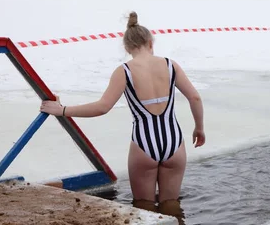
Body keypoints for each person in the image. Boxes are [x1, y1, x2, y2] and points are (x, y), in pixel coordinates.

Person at [40, 11, 205, 214]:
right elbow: (195, 98)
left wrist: (63, 110)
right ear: (151, 42)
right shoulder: (171, 65)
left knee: (143, 208)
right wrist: (199, 128)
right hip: (174, 142)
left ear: (127, 47)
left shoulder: (125, 71)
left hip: (144, 144)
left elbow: (103, 107)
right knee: (171, 204)